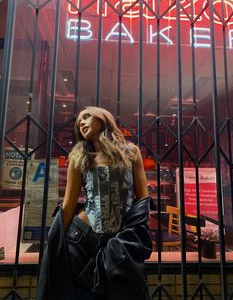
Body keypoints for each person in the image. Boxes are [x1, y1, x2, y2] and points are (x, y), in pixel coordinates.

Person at [36, 106, 152, 300]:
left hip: (120, 241)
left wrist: (137, 236)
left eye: (87, 116)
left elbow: (142, 201)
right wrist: (55, 242)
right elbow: (69, 204)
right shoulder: (78, 157)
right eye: (79, 120)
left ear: (103, 119)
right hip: (81, 238)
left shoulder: (131, 151)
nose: (81, 122)